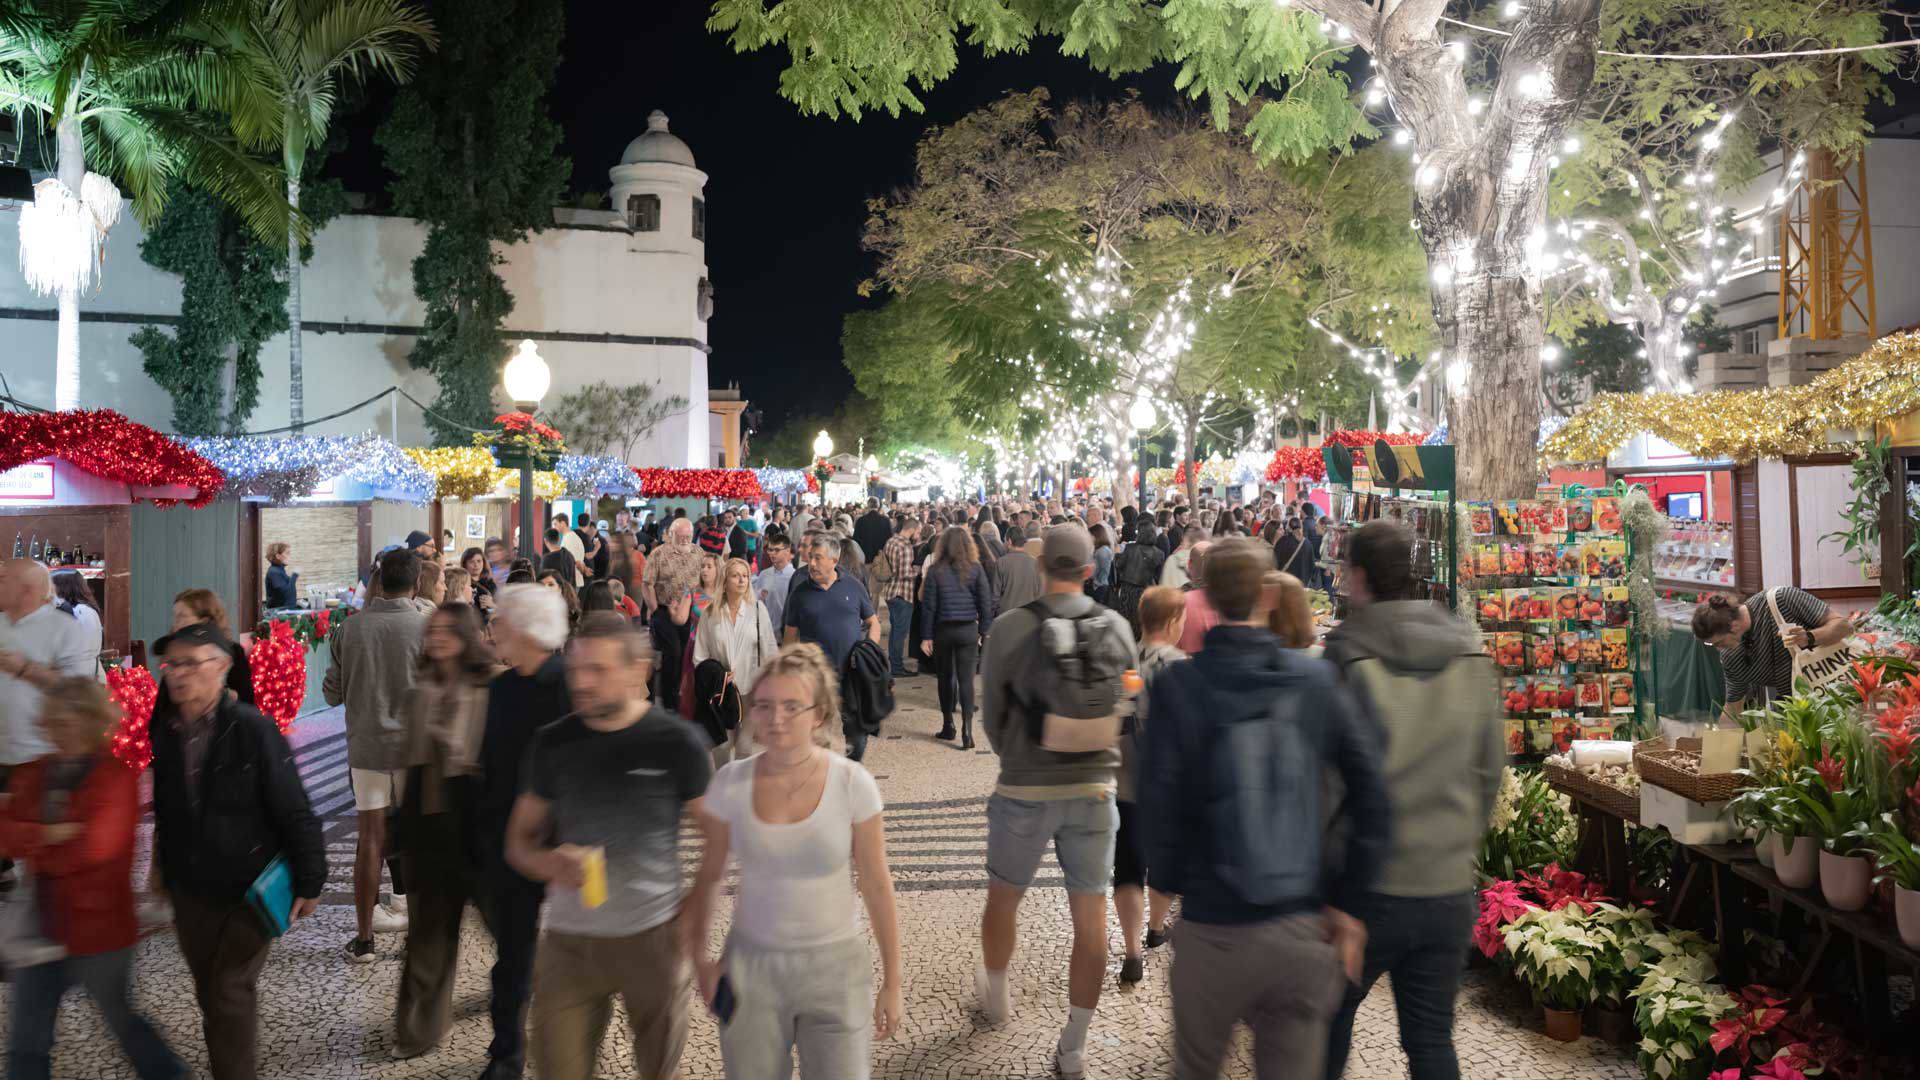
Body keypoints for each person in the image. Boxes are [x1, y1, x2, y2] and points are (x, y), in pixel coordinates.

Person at [1136, 537, 1389, 1080]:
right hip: (1299, 925)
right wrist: (1347, 900)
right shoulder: (1315, 680)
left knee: (1196, 1067)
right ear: (1268, 596)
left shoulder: (1180, 686)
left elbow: (1154, 803)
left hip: (1211, 924)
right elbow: (1372, 790)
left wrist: (1179, 878)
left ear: (1204, 597)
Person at [1322, 521, 1505, 1080]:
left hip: (1364, 888)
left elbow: (1327, 783)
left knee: (1326, 1029)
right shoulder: (1469, 654)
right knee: (1430, 1043)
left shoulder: (1346, 660)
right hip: (1446, 886)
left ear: (1356, 578)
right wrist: (1456, 838)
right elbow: (1488, 770)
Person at [506, 614, 712, 1080]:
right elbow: (518, 843)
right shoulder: (552, 743)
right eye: (577, 669)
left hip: (653, 940)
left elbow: (718, 839)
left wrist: (693, 918)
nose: (581, 682)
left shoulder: (676, 742)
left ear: (637, 670)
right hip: (569, 945)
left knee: (658, 1070)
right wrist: (547, 861)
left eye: (597, 671)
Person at [684, 643, 903, 1079]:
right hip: (750, 970)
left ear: (818, 714)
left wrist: (892, 983)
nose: (776, 719)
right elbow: (707, 878)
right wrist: (700, 962)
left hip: (836, 970)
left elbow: (878, 885)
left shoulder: (852, 784)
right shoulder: (731, 783)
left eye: (791, 706)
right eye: (764, 706)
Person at [976, 524, 1136, 1079]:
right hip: (1095, 790)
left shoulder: (1008, 629)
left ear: (1042, 566)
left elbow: (992, 714)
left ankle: (996, 994)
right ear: (1091, 571)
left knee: (1005, 895)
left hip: (1024, 787)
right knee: (1090, 918)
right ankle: (1074, 1043)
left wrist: (1014, 755)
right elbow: (1128, 700)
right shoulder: (1117, 625)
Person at [148, 621, 325, 1080]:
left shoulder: (251, 728)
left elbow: (294, 805)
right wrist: (162, 868)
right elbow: (168, 807)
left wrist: (310, 878)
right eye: (172, 664)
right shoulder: (167, 729)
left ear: (223, 666)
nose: (178, 674)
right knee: (210, 990)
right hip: (192, 886)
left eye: (192, 662)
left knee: (228, 989)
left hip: (248, 887)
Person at [0, 679, 189, 1080]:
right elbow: (5, 832)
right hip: (41, 929)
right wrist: (52, 833)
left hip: (99, 931)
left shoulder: (114, 777)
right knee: (26, 1045)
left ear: (90, 722)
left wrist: (36, 840)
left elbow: (95, 848)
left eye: (69, 720)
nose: (60, 729)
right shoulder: (36, 772)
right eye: (54, 720)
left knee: (124, 1024)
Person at [474, 585, 573, 1080]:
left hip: (567, 841)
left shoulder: (569, 685)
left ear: (526, 629)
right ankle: (506, 1054)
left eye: (499, 622)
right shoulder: (500, 687)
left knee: (579, 947)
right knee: (512, 954)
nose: (492, 631)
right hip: (511, 839)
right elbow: (491, 766)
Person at [393, 603, 499, 1059]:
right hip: (431, 827)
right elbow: (410, 771)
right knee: (427, 936)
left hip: (479, 826)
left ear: (467, 636)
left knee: (505, 931)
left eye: (446, 630)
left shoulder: (491, 688)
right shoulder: (421, 692)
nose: (436, 638)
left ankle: (524, 990)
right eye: (431, 630)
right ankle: (417, 1029)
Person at [322, 550, 427, 962]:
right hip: (415, 749)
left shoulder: (350, 629)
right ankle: (420, 936)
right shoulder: (426, 627)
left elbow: (333, 692)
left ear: (379, 583)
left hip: (366, 750)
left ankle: (364, 940)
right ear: (417, 583)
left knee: (370, 839)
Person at [1113, 586, 1185, 986]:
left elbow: (1119, 717)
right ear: (1173, 622)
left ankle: (1131, 951)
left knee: (1127, 867)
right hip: (1169, 787)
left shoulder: (1126, 663)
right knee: (1165, 864)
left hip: (1126, 783)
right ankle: (1156, 927)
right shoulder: (1180, 666)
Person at [783, 534, 882, 761]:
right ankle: (824, 780)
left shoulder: (854, 587)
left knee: (856, 737)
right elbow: (790, 638)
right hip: (816, 677)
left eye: (818, 558)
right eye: (810, 558)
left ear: (834, 560)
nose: (812, 563)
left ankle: (851, 772)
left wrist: (869, 650)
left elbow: (873, 623)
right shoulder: (800, 594)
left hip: (851, 674)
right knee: (818, 735)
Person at [0, 559, 98, 782]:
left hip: (40, 757)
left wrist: (26, 668)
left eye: (4, 580)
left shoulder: (64, 628)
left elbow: (79, 691)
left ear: (25, 589)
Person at [1693, 586, 1853, 717]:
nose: (1719, 649)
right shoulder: (1731, 656)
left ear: (1733, 626)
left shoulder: (1782, 599)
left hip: (1837, 697)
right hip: (1798, 715)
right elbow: (1733, 707)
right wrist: (1716, 749)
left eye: (1719, 642)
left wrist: (1809, 637)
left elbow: (1845, 626)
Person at [694, 557, 777, 764]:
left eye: (746, 576)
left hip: (750, 688)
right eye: (736, 575)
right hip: (721, 691)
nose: (742, 580)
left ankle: (740, 790)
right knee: (721, 745)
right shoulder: (710, 613)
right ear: (725, 581)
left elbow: (769, 650)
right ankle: (723, 786)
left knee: (744, 746)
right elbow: (700, 656)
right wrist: (717, 675)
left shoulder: (758, 610)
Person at [919, 525, 995, 748]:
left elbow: (929, 608)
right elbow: (985, 603)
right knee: (966, 680)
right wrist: (984, 631)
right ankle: (968, 730)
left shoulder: (935, 570)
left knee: (945, 678)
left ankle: (948, 725)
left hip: (944, 631)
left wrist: (926, 636)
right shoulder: (976, 569)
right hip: (968, 630)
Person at [873, 517, 922, 678]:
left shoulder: (891, 541)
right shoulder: (905, 545)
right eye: (918, 531)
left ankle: (893, 662)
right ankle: (897, 667)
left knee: (896, 631)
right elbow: (904, 573)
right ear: (912, 529)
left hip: (890, 591)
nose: (918, 534)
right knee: (900, 633)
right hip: (902, 593)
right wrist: (918, 570)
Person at [1108, 521, 1165, 630]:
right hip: (1146, 589)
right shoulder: (1159, 553)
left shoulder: (1130, 548)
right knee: (1142, 621)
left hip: (1128, 589)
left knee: (1126, 620)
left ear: (1140, 534)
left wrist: (1117, 555)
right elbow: (1158, 576)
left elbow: (1118, 565)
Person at [643, 517, 705, 613]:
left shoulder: (698, 552)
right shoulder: (658, 554)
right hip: (666, 611)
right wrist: (655, 612)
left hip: (694, 609)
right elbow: (647, 584)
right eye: (681, 537)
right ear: (671, 534)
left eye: (688, 537)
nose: (685, 540)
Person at [51, 569, 103, 671]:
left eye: (51, 587)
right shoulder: (80, 609)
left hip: (82, 673)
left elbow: (80, 648)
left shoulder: (82, 611)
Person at [993, 525, 1042, 612]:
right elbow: (1039, 592)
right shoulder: (1035, 563)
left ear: (1009, 541)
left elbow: (995, 595)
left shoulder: (1001, 563)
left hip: (1006, 616)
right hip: (1029, 615)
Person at [753, 536, 796, 633]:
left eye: (777, 550)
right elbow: (756, 600)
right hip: (765, 631)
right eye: (770, 550)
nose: (772, 554)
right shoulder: (764, 574)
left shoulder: (794, 576)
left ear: (787, 551)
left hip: (785, 633)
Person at [550, 514, 587, 586]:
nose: (554, 527)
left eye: (555, 524)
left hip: (572, 582)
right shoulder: (568, 537)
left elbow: (576, 561)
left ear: (563, 523)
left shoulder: (570, 538)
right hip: (571, 581)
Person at [854, 496, 893, 562]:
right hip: (880, 558)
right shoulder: (885, 520)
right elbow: (889, 539)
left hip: (864, 557)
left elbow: (856, 539)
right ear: (878, 506)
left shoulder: (861, 520)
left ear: (868, 506)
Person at [462, 545, 498, 616]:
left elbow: (499, 609)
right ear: (465, 564)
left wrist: (492, 605)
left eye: (479, 561)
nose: (476, 565)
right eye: (472, 562)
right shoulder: (462, 583)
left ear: (483, 563)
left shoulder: (490, 582)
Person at [264, 541, 300, 609]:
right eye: (287, 553)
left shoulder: (279, 570)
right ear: (278, 556)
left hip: (284, 611)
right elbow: (287, 593)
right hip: (278, 614)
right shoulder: (274, 572)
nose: (289, 556)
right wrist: (294, 575)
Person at [1088, 524, 1115, 606]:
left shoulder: (1102, 551)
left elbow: (1102, 571)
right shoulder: (1101, 549)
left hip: (1100, 586)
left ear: (1096, 536)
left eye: (1090, 536)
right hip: (1100, 585)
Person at [577, 514, 609, 582]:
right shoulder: (588, 539)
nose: (586, 531)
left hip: (597, 576)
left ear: (592, 528)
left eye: (588, 529)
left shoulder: (600, 541)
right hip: (588, 574)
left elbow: (603, 560)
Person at [694, 551, 721, 617]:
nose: (704, 570)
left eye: (709, 567)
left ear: (718, 570)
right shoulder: (694, 591)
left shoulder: (724, 594)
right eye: (702, 566)